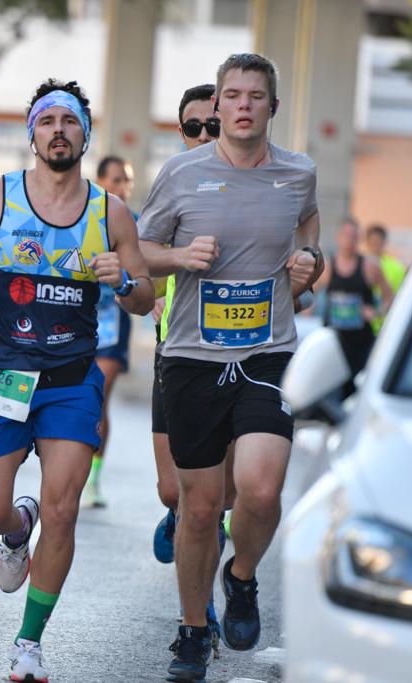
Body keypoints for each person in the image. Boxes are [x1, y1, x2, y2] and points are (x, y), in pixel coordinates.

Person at [0, 78, 153, 682]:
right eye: (48, 121)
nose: (59, 131)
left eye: (70, 121)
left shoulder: (110, 212)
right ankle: (15, 528)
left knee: (64, 508)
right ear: (31, 133)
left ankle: (28, 643)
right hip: (2, 372)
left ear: (86, 134)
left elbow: (145, 299)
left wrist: (125, 281)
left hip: (70, 377)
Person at [138, 53, 324, 681]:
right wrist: (179, 254)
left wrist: (311, 262)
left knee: (262, 488)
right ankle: (192, 630)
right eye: (233, 95)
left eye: (256, 95)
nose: (244, 105)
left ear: (273, 106)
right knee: (199, 506)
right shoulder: (182, 173)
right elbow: (140, 249)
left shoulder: (298, 173)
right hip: (192, 355)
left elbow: (308, 230)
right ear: (217, 107)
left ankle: (240, 578)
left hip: (268, 351)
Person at [148, 83, 229, 656]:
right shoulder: (175, 181)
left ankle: (198, 612)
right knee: (173, 489)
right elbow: (143, 261)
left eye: (212, 125)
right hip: (174, 350)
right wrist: (148, 289)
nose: (203, 135)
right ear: (181, 133)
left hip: (235, 354)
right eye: (192, 128)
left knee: (213, 500)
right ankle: (180, 518)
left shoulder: (257, 184)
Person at [83, 154, 136, 508]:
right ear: (101, 181)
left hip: (115, 319)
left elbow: (147, 271)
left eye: (127, 181)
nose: (123, 187)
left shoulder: (132, 222)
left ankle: (92, 480)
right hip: (80, 317)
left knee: (99, 397)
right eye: (117, 180)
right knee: (80, 399)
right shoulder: (82, 214)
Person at [316, 217, 392, 394]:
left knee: (358, 390)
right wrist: (306, 306)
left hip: (361, 342)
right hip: (334, 340)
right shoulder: (327, 266)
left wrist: (376, 312)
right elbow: (310, 292)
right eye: (346, 236)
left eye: (353, 236)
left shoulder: (370, 266)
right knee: (332, 391)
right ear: (338, 237)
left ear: (358, 239)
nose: (349, 241)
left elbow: (390, 296)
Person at [364, 223, 407, 334]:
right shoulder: (360, 265)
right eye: (373, 240)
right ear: (367, 242)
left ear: (384, 242)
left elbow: (400, 295)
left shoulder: (397, 267)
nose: (375, 244)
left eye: (378, 240)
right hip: (364, 325)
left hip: (388, 324)